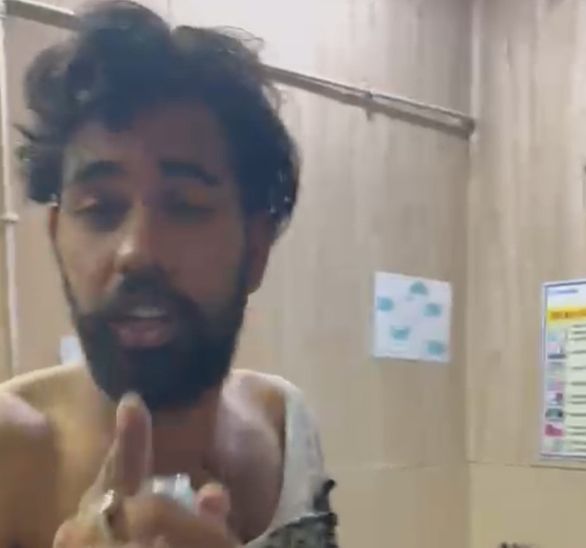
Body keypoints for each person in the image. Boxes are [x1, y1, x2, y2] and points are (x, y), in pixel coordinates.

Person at [0, 1, 337, 546]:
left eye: (185, 206)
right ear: (57, 237)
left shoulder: (284, 426)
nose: (136, 252)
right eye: (101, 209)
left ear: (255, 248)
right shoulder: (10, 451)